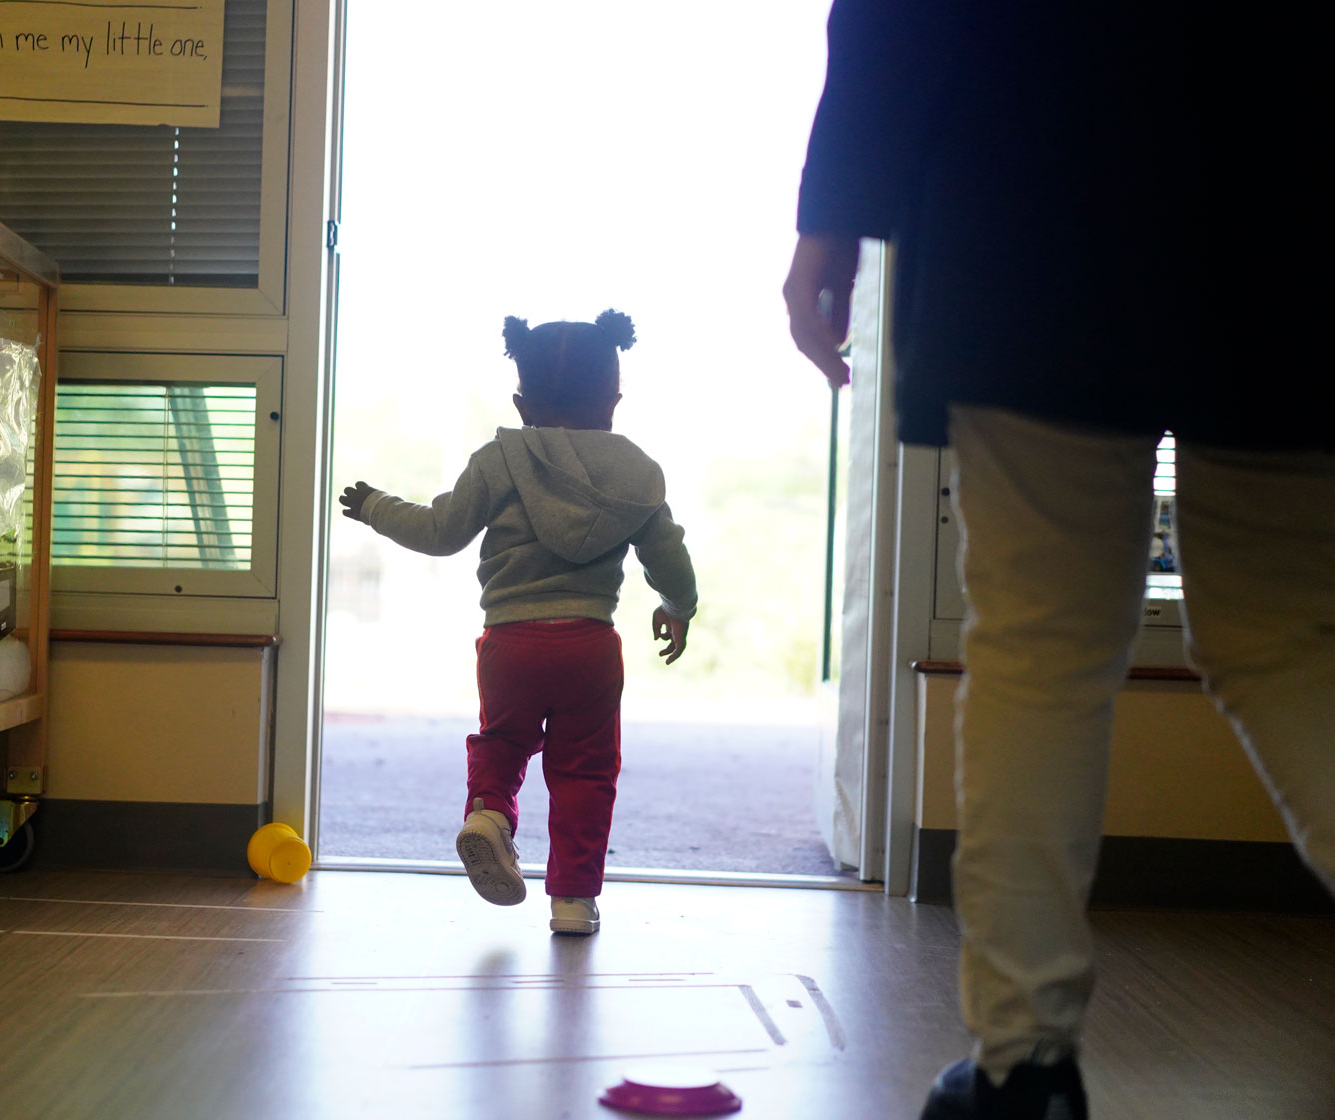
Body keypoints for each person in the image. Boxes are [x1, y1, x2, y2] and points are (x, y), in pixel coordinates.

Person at [783, 4, 1334, 1118]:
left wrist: (837, 205)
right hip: (1292, 176)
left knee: (1040, 644)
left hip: (1034, 171)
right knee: (1286, 636)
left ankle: (1022, 1065)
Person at [338, 310, 699, 936]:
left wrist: (374, 505)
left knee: (503, 740)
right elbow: (667, 553)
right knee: (585, 771)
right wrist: (677, 606)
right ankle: (572, 901)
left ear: (521, 401)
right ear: (613, 400)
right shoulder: (636, 473)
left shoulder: (501, 458)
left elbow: (440, 531)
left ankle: (488, 813)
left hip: (510, 643)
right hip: (590, 645)